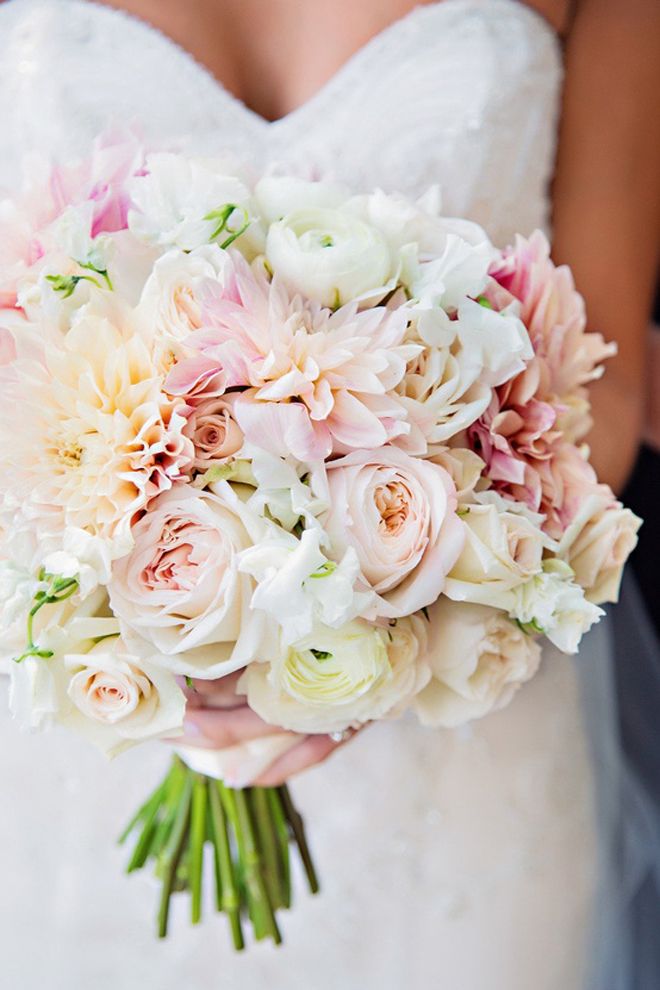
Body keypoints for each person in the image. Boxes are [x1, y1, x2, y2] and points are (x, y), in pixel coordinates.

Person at [0, 2, 657, 988]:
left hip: (457, 748)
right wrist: (155, 618)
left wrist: (384, 623)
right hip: (78, 734)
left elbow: (603, 384)